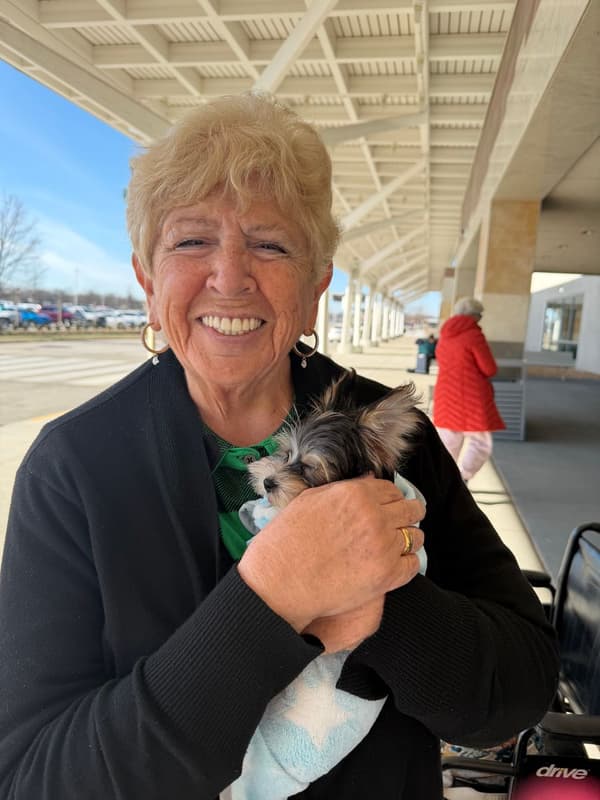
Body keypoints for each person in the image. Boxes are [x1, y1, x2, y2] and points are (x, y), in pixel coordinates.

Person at [0, 95, 558, 800]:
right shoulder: (73, 467)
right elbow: (35, 779)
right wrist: (271, 599)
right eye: (191, 241)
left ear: (318, 285)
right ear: (147, 280)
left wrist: (383, 595)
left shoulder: (386, 432)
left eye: (269, 244)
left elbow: (522, 688)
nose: (230, 276)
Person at [433, 296, 506, 482]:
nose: (480, 319)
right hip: (470, 397)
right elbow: (489, 368)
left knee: (448, 442)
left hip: (445, 395)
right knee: (480, 441)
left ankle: (444, 481)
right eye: (479, 315)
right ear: (473, 316)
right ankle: (462, 477)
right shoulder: (474, 335)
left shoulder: (445, 335)